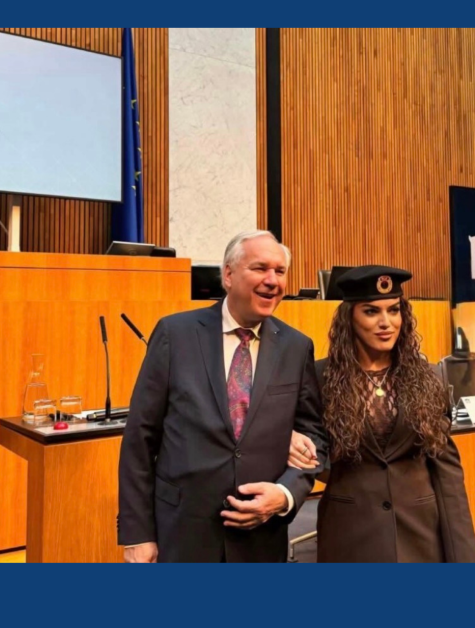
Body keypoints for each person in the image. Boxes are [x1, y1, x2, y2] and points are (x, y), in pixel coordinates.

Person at [119, 231, 328, 562]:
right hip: (183, 533)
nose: (272, 280)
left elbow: (313, 437)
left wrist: (285, 494)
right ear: (228, 275)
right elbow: (139, 437)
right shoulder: (175, 334)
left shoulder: (296, 346)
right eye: (260, 268)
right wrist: (137, 533)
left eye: (280, 271)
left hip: (261, 539)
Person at [289, 265, 475, 562]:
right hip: (350, 535)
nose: (386, 323)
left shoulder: (428, 377)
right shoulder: (319, 377)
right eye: (371, 312)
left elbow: (448, 475)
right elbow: (308, 450)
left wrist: (465, 558)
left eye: (393, 310)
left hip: (421, 535)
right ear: (349, 318)